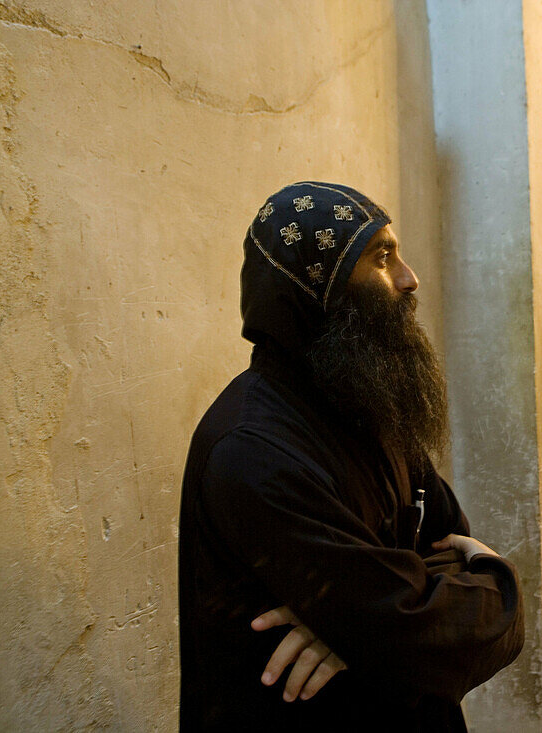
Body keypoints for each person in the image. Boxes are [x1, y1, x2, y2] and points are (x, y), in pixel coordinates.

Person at [178, 182, 524, 731]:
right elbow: (433, 620)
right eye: (382, 258)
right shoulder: (253, 450)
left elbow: (443, 547)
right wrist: (486, 579)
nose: (410, 278)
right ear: (317, 285)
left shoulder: (365, 403)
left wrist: (357, 623)